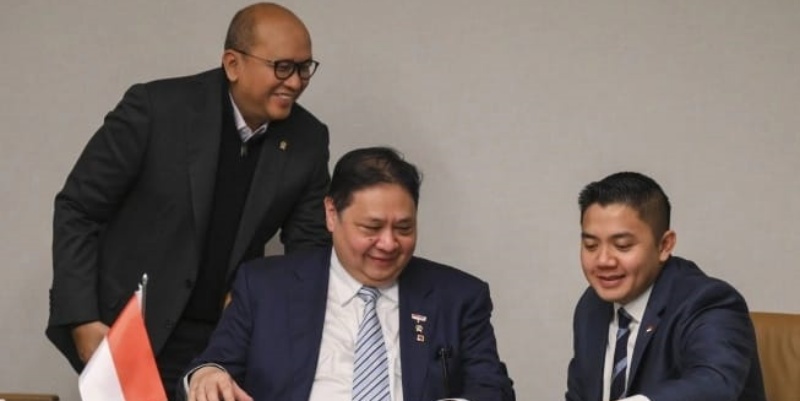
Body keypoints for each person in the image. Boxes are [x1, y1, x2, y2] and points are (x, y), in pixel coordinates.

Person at [46, 3, 331, 398]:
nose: (296, 82)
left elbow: (308, 252)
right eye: (282, 67)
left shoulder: (308, 140)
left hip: (224, 343)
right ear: (233, 64)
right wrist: (82, 319)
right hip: (130, 332)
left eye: (304, 68)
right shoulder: (156, 109)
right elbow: (79, 210)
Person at [181, 147, 515, 401]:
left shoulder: (457, 297)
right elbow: (213, 364)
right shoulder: (265, 286)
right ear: (331, 214)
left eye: (404, 228)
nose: (389, 243)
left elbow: (493, 388)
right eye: (371, 227)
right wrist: (207, 374)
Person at [565, 172, 766, 401]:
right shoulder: (592, 305)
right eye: (591, 245)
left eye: (622, 246)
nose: (603, 261)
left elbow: (714, 383)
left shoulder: (709, 302)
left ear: (664, 245)